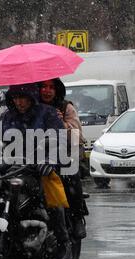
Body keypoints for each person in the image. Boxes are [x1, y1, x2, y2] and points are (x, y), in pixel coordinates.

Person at [0, 83, 73, 259]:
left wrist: (48, 160)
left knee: (51, 193)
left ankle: (64, 242)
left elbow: (59, 140)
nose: (19, 102)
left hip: (40, 168)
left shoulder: (48, 113)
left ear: (31, 97)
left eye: (23, 98)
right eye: (15, 98)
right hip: (13, 167)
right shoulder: (6, 117)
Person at [38, 78, 88, 239]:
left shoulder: (66, 107)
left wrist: (62, 123)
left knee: (70, 175)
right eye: (43, 87)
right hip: (34, 154)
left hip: (63, 153)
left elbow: (77, 137)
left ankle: (77, 217)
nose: (47, 91)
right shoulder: (31, 106)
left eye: (51, 87)